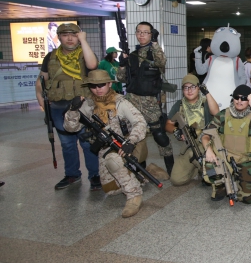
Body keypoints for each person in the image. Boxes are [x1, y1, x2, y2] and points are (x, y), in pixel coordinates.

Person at [63, 70, 146, 217]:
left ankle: (134, 195)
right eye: (93, 86)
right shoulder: (88, 105)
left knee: (113, 160)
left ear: (109, 84)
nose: (98, 89)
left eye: (101, 85)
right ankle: (140, 174)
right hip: (104, 149)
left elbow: (140, 123)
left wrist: (131, 141)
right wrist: (73, 111)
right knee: (111, 190)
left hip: (127, 147)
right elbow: (71, 128)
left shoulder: (121, 103)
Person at [35, 23, 100, 190]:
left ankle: (95, 175)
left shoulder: (84, 55)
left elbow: (92, 65)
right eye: (65, 35)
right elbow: (42, 80)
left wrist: (84, 41)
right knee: (67, 144)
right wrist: (42, 103)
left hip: (83, 107)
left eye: (74, 35)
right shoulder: (51, 57)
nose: (70, 38)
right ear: (59, 37)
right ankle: (72, 174)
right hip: (58, 108)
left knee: (87, 143)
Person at [116, 22, 174, 176]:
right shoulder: (131, 54)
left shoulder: (155, 52)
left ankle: (172, 169)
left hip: (150, 101)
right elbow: (121, 78)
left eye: (146, 32)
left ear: (151, 34)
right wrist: (122, 64)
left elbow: (161, 62)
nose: (142, 35)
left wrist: (155, 42)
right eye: (139, 32)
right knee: (135, 136)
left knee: (159, 135)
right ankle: (139, 171)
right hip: (132, 100)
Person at [201, 85, 251, 204]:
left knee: (249, 199)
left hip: (244, 160)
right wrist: (208, 150)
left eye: (244, 98)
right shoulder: (223, 114)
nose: (239, 101)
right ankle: (219, 185)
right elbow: (205, 135)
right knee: (209, 162)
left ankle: (245, 182)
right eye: (237, 97)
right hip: (224, 158)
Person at [166, 74, 219, 186]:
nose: (189, 90)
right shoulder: (179, 105)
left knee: (212, 178)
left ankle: (205, 169)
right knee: (176, 180)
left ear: (198, 88)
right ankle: (197, 169)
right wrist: (176, 131)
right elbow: (168, 124)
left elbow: (216, 112)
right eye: (186, 87)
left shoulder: (205, 102)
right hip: (189, 144)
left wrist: (207, 93)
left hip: (205, 142)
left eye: (193, 87)